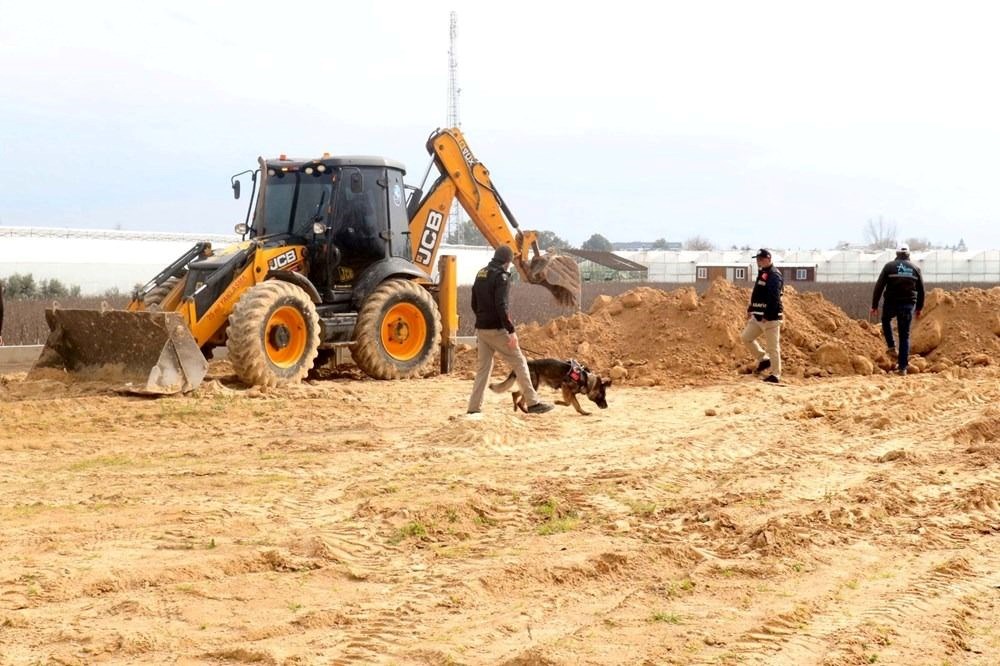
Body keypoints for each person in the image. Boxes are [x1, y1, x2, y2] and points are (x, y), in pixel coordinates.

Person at [467, 245, 553, 415]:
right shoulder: (502, 277)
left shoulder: (481, 273)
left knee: (483, 369)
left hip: (482, 330)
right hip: (497, 330)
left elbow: (473, 302)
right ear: (507, 262)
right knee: (520, 362)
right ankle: (533, 402)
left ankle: (473, 408)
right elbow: (502, 305)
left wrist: (481, 320)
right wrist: (511, 331)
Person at [871, 245, 925, 375]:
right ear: (908, 254)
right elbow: (921, 290)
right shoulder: (915, 268)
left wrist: (874, 305)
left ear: (896, 253)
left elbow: (879, 286)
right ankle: (902, 368)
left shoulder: (889, 267)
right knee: (904, 335)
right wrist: (919, 308)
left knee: (885, 319)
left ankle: (891, 346)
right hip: (907, 305)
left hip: (891, 302)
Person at [741, 249, 784, 383]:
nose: (758, 261)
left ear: (768, 259)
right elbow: (757, 293)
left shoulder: (774, 275)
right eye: (757, 259)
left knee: (773, 348)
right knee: (746, 337)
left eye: (760, 259)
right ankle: (763, 359)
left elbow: (774, 298)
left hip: (770, 319)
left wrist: (768, 314)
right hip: (757, 316)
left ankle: (776, 375)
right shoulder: (763, 273)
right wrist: (751, 308)